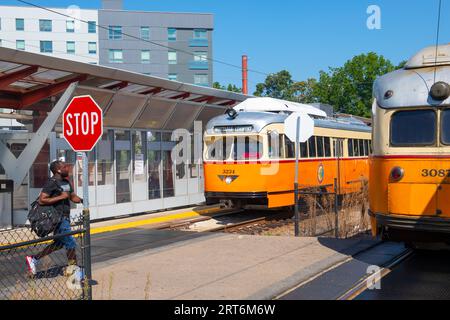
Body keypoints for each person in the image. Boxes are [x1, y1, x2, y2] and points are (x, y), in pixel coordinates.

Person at [26, 160, 83, 275]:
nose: (67, 168)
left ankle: (34, 259)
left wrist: (83, 200)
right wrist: (61, 197)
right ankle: (74, 269)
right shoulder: (51, 183)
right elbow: (42, 200)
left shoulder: (66, 182)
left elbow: (72, 197)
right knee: (70, 242)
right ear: (58, 170)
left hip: (65, 217)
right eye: (65, 167)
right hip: (57, 218)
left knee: (59, 243)